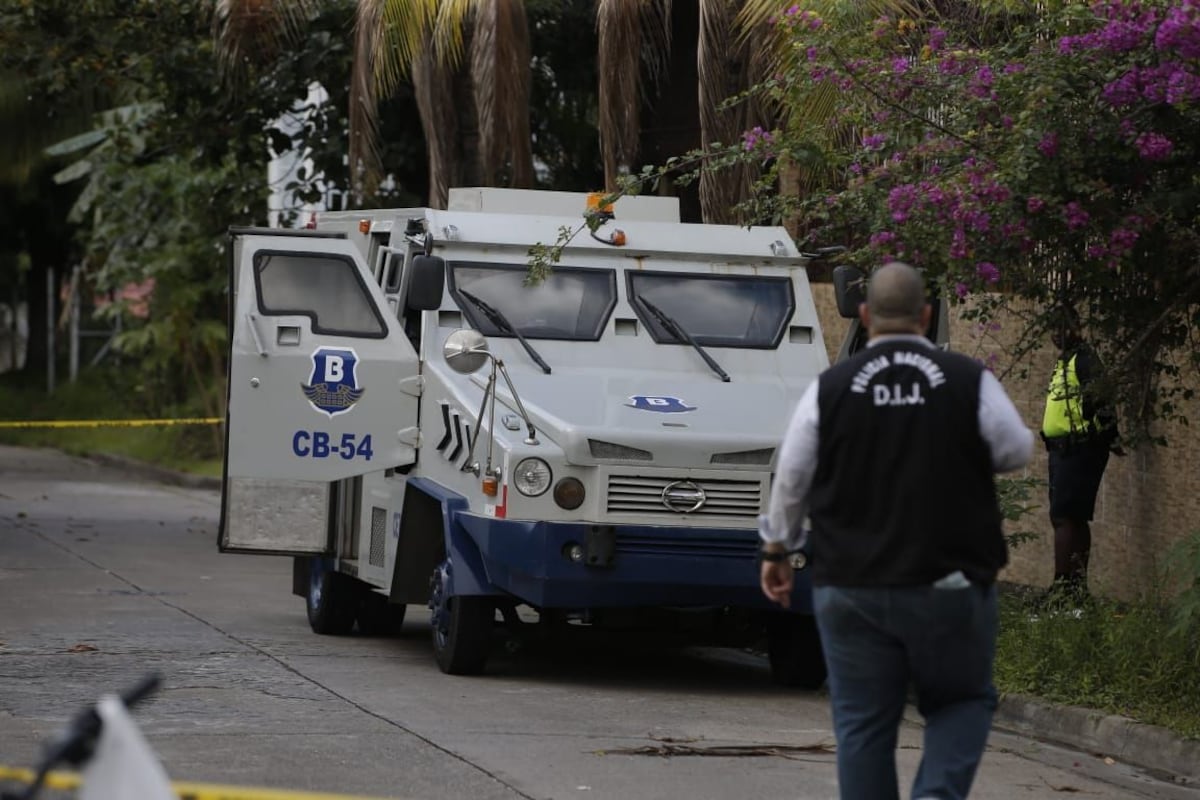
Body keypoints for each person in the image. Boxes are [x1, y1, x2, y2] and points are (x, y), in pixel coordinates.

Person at [758, 262, 1034, 800]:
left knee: (862, 722)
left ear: (864, 316)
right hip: (949, 583)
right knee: (960, 701)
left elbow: (792, 476)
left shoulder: (829, 391)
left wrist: (776, 549)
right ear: (927, 316)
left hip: (851, 585)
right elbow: (1015, 449)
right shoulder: (966, 379)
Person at [1041, 306, 1119, 602]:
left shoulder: (1085, 359)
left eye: (1064, 328)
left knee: (1065, 517)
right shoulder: (1067, 360)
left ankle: (1062, 591)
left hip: (1079, 448)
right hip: (1062, 450)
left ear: (1077, 327)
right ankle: (1074, 590)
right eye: (1053, 330)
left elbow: (1101, 399)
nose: (1057, 335)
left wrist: (1109, 436)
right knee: (1069, 518)